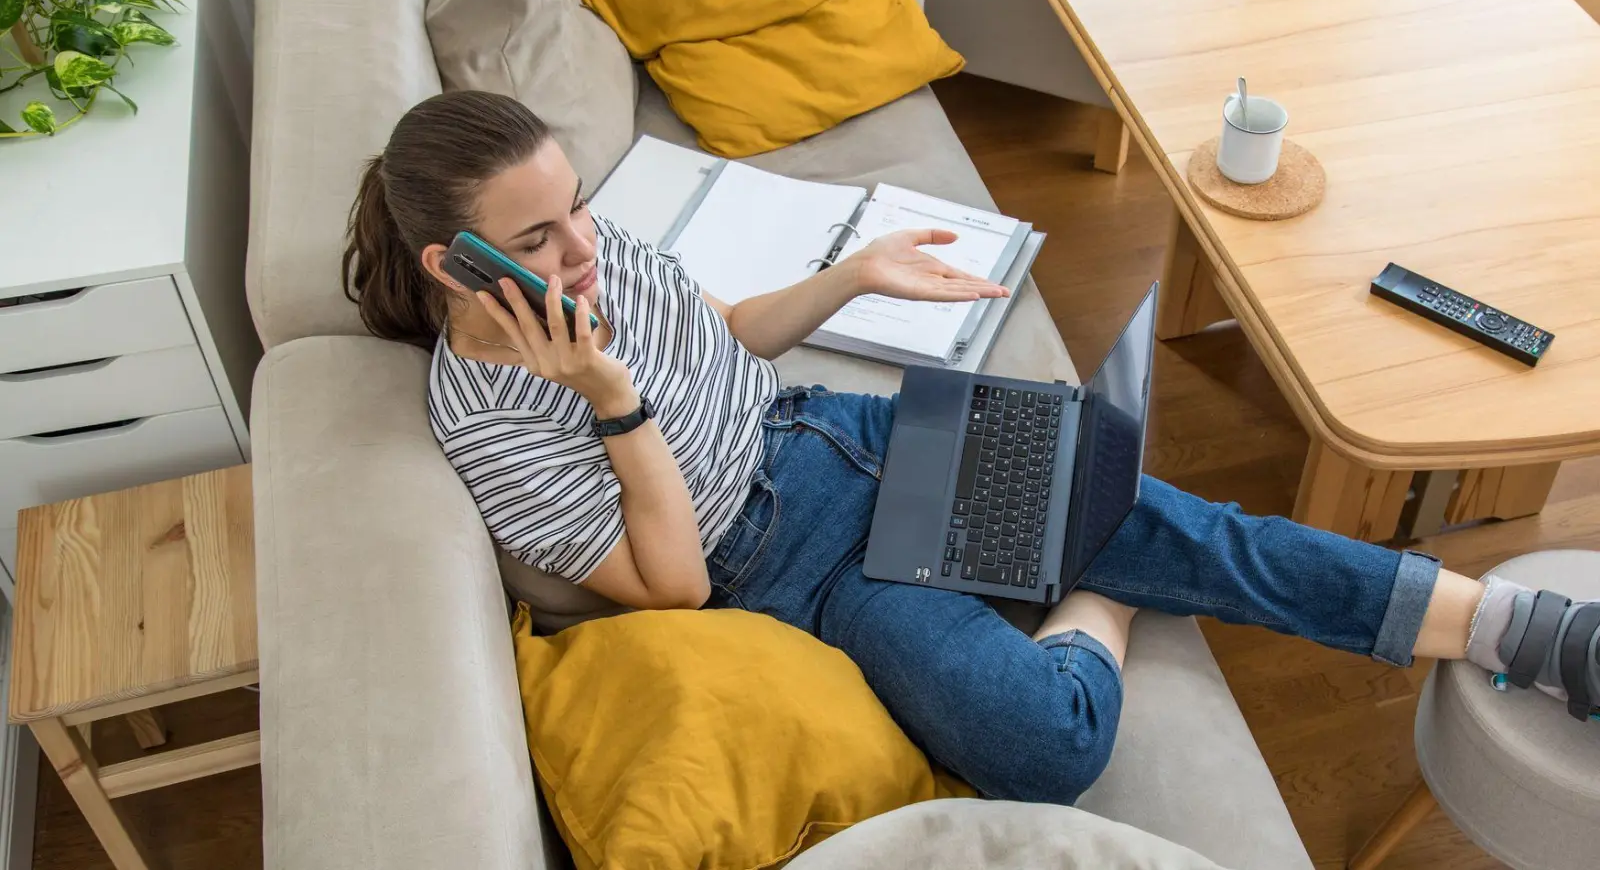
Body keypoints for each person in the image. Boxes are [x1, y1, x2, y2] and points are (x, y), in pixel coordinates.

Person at [344, 91, 1598, 804]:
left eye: (576, 211)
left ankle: (1525, 634)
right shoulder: (486, 424)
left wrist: (847, 277)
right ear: (459, 266)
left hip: (838, 430)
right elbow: (673, 585)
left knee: (1196, 529)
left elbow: (723, 336)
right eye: (546, 238)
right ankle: (1097, 594)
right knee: (1042, 746)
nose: (584, 247)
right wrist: (611, 398)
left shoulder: (597, 250)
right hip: (793, 569)